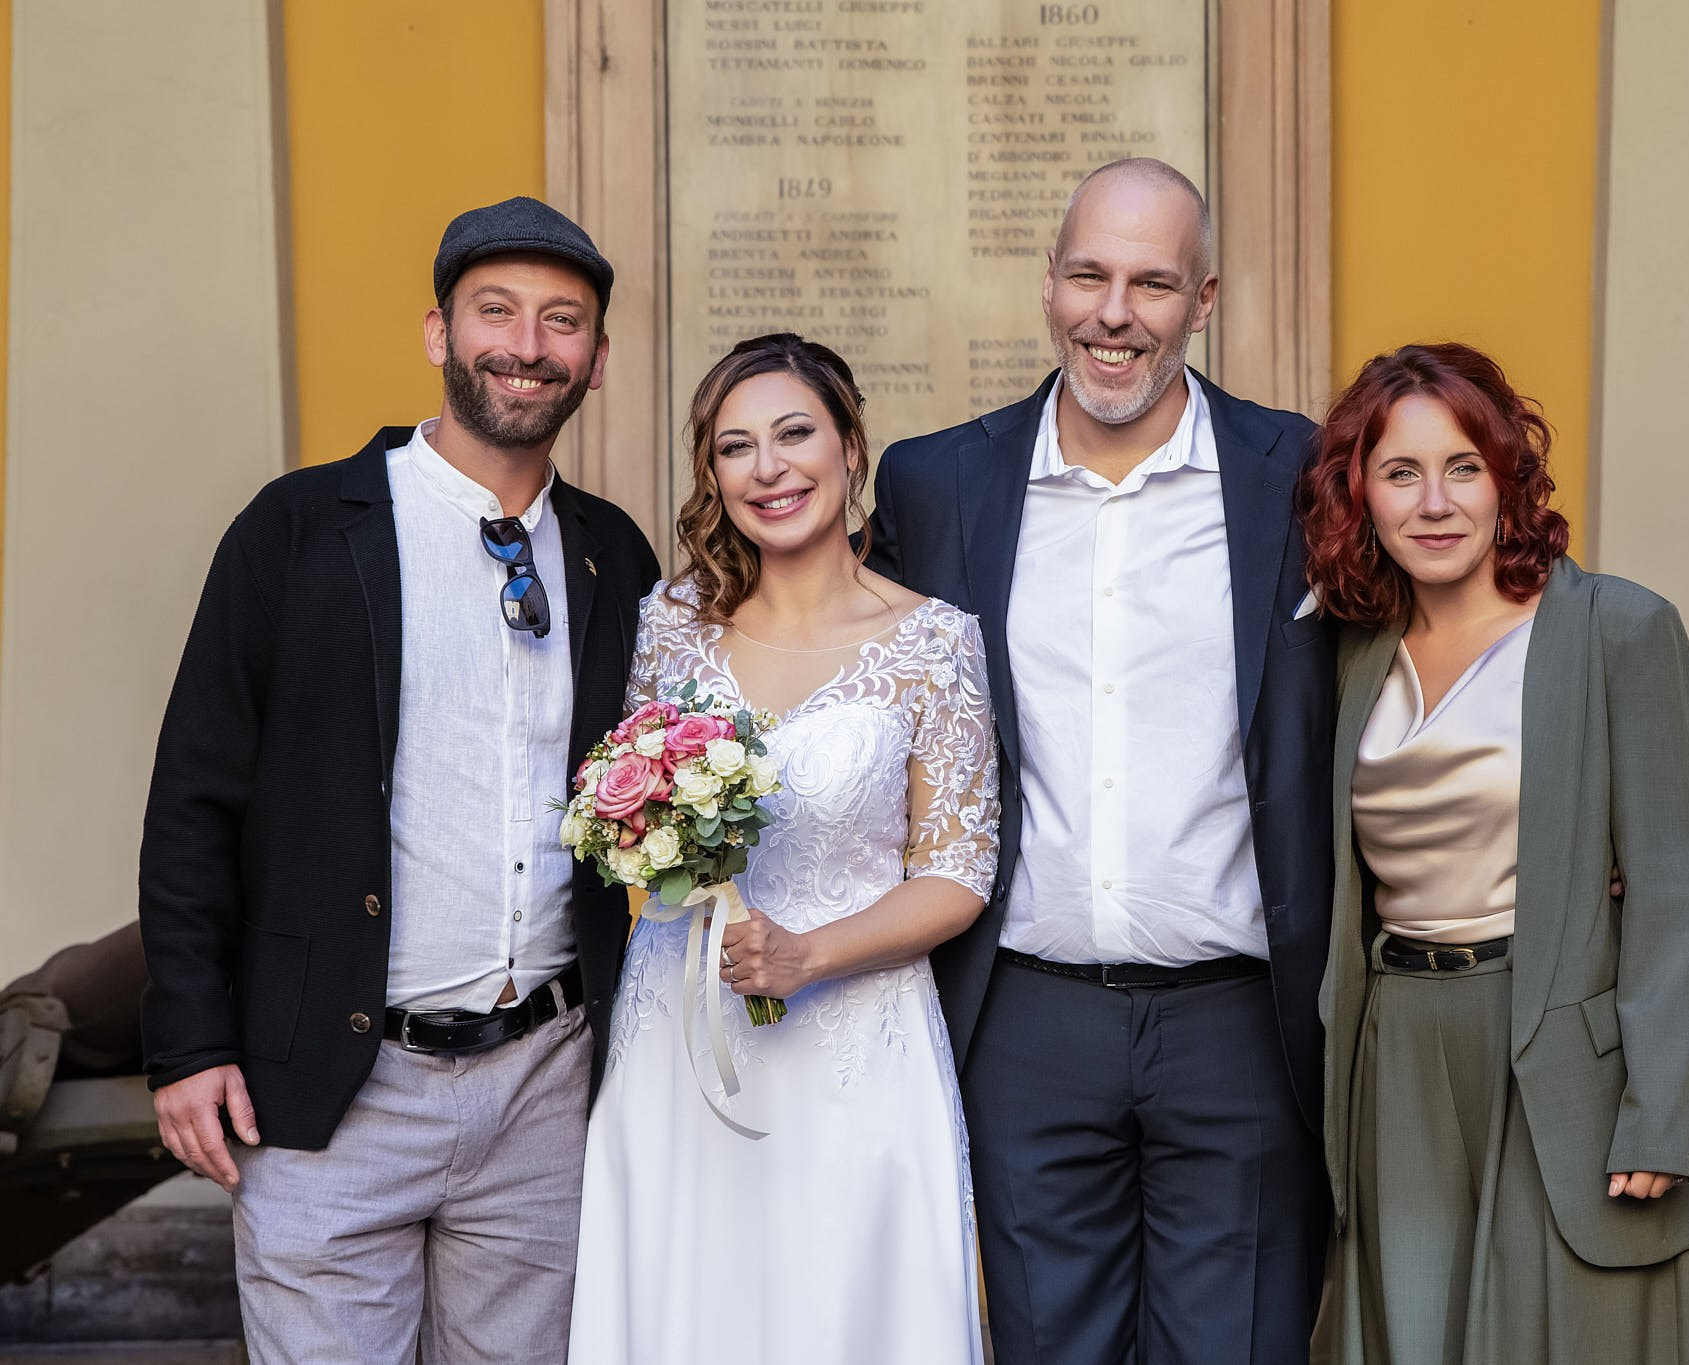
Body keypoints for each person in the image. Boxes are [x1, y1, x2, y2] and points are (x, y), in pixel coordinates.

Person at [138, 197, 662, 1364]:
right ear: (439, 333)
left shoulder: (612, 555)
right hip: (330, 1083)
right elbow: (194, 802)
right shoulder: (295, 531)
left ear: (596, 358)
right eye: (495, 312)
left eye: (562, 321)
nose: (526, 345)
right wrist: (188, 1044)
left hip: (545, 1087)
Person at [868, 158, 1335, 1363]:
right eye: (1088, 276)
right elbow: (840, 665)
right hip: (1024, 1019)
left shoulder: (1298, 476)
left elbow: (1433, 628)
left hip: (1241, 1025)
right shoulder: (937, 484)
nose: (1112, 314)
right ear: (1048, 285)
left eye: (1151, 284)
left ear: (1203, 299)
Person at [1298, 342, 1689, 1364]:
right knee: (1412, 1334)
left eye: (1463, 466)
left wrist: (1661, 1116)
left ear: (1506, 477)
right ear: (1360, 494)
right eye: (1400, 472)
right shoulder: (1350, 652)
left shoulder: (1618, 630)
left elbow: (1671, 890)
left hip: (1557, 1049)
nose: (1434, 502)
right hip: (1396, 1050)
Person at [566, 333, 998, 1363]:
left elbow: (957, 872)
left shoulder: (935, 641)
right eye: (736, 447)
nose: (769, 469)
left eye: (794, 434)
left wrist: (807, 955)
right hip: (682, 1033)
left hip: (856, 1049)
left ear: (850, 447)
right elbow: (623, 810)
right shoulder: (668, 625)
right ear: (713, 476)